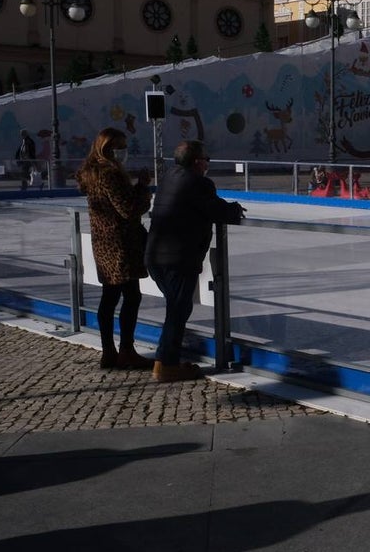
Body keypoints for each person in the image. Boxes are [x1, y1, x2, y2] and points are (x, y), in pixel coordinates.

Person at [146, 140, 245, 383]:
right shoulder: (198, 182)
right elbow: (216, 210)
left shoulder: (168, 177)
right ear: (197, 162)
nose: (207, 164)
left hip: (155, 255)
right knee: (178, 311)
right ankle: (166, 365)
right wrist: (235, 209)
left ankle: (164, 361)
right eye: (206, 160)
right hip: (177, 258)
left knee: (176, 309)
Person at [75, 128, 153, 370]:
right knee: (130, 296)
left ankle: (109, 351)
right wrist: (142, 187)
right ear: (107, 148)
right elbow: (128, 209)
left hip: (104, 243)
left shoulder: (93, 173)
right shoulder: (109, 174)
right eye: (120, 147)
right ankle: (125, 350)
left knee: (110, 296)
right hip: (120, 245)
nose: (123, 152)